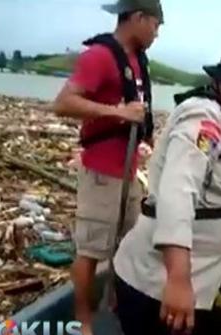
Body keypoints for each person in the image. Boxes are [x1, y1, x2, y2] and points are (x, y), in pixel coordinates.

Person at [112, 43, 221, 335]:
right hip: (159, 286)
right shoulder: (205, 120)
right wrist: (178, 279)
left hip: (182, 282)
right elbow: (178, 192)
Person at [52, 0, 163, 333]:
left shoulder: (136, 60)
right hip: (102, 172)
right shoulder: (100, 56)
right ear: (138, 18)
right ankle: (83, 321)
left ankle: (117, 303)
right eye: (156, 25)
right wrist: (117, 112)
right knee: (90, 251)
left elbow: (138, 109)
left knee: (128, 246)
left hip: (128, 172)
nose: (157, 33)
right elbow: (63, 103)